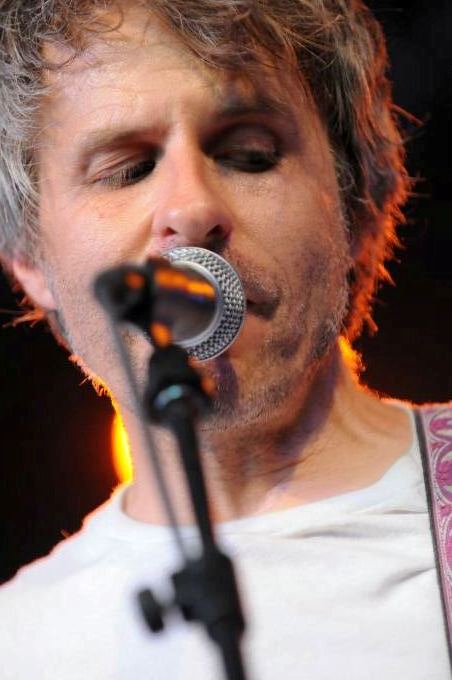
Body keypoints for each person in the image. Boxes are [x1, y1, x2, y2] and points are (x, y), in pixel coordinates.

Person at [0, 0, 450, 678]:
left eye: (249, 156)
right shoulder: (21, 646)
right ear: (30, 261)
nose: (191, 209)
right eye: (127, 169)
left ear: (354, 207)